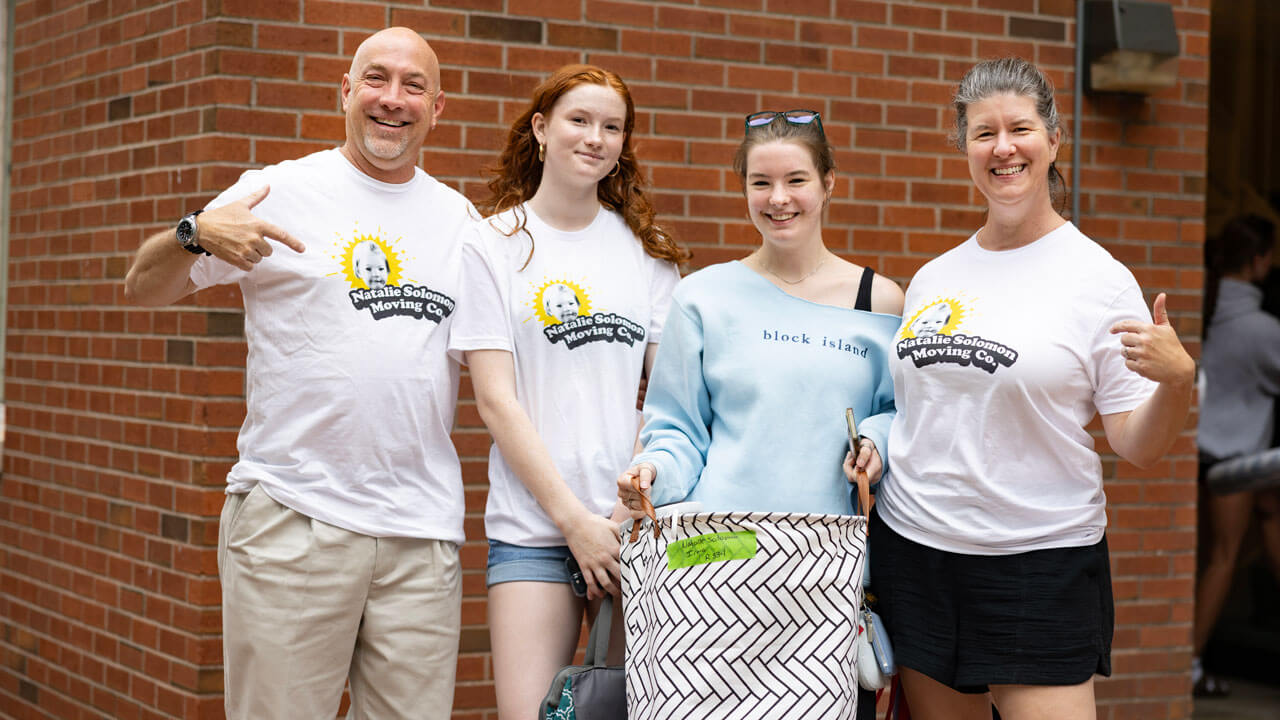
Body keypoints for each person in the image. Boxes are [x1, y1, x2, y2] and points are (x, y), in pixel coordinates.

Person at [123, 28, 472, 720]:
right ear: (345, 92)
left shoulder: (461, 220)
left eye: (413, 85)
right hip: (295, 518)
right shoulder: (277, 190)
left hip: (420, 537)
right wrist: (193, 230)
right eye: (376, 79)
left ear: (438, 108)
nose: (392, 99)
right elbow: (144, 287)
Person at [867, 57, 1195, 720]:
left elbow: (1138, 445)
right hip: (919, 553)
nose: (1003, 147)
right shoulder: (934, 278)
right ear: (963, 148)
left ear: (1053, 140)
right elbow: (912, 414)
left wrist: (1178, 383)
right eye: (983, 132)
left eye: (1019, 128)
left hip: (1039, 566)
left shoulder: (1097, 280)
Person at [617, 109, 904, 719]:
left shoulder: (877, 300)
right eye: (760, 182)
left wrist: (876, 442)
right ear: (742, 186)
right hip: (714, 565)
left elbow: (896, 415)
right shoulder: (702, 296)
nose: (778, 199)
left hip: (824, 576)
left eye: (796, 180)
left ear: (829, 183)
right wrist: (650, 472)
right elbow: (677, 429)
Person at [446, 64, 687, 720]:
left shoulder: (646, 252)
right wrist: (573, 522)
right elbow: (496, 400)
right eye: (580, 120)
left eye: (613, 127)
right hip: (533, 529)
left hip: (634, 529)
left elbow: (667, 400)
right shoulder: (491, 245)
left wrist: (619, 516)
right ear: (542, 128)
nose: (596, 138)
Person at [1193, 214, 1280, 697]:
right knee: (1223, 560)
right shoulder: (1263, 329)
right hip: (1236, 464)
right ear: (1259, 260)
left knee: (1210, 556)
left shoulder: (1203, 310)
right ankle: (1188, 664)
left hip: (1200, 458)